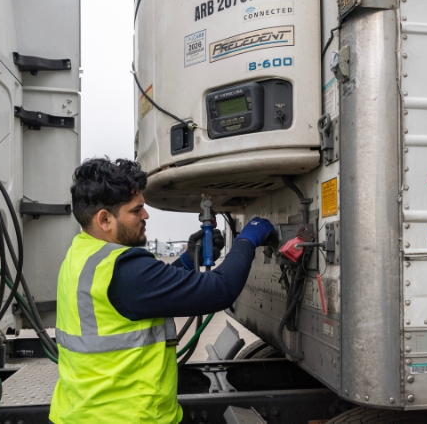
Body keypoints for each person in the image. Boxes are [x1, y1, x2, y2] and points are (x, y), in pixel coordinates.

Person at [49, 157, 275, 424]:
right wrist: (247, 240)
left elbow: (144, 293)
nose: (145, 215)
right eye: (136, 210)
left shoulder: (82, 255)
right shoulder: (123, 270)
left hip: (80, 413)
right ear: (105, 219)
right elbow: (220, 289)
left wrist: (188, 261)